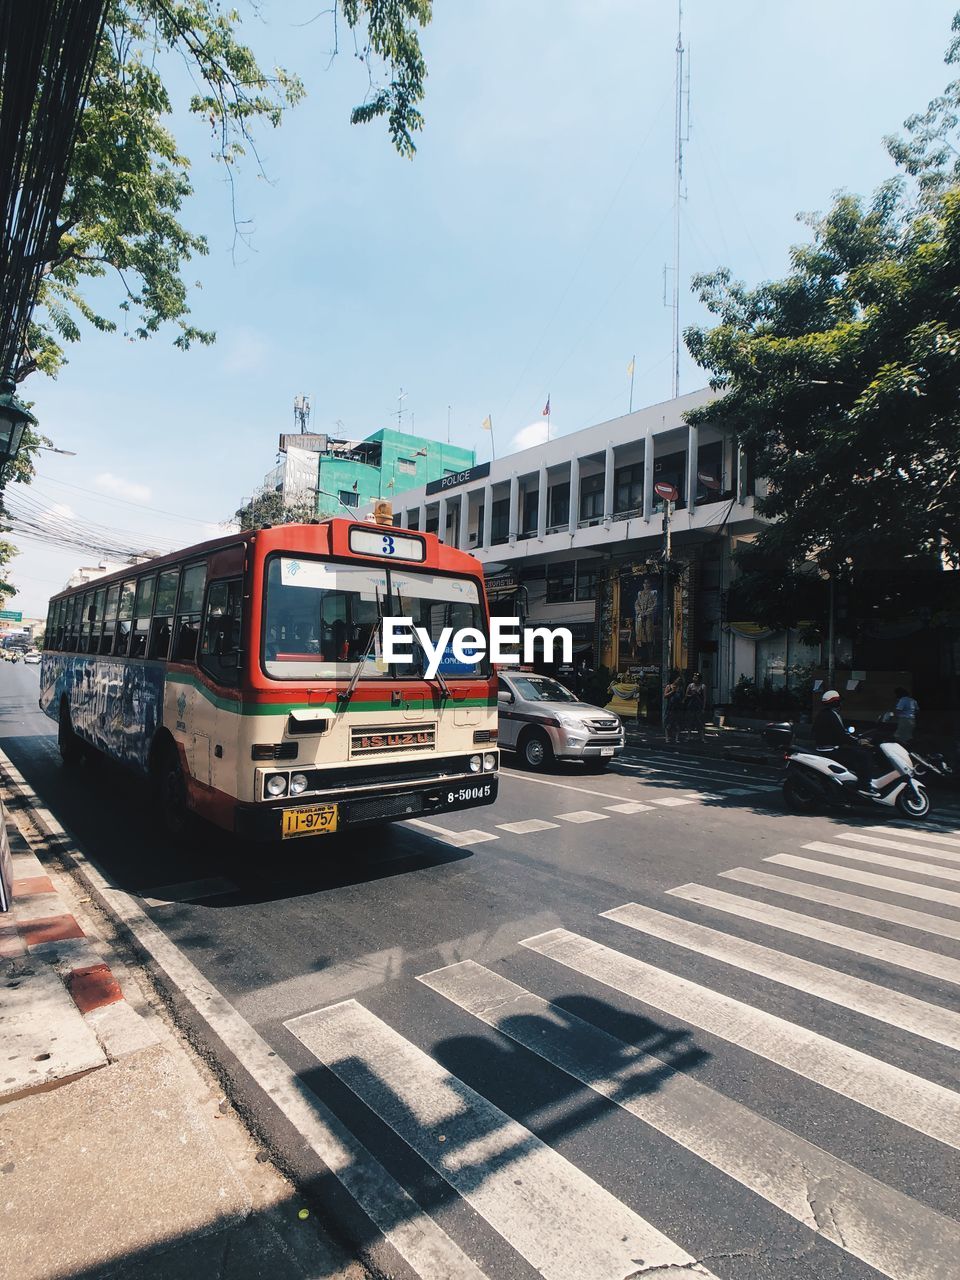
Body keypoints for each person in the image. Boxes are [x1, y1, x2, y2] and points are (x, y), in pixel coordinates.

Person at [813, 689, 877, 793]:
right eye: (839, 701)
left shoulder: (822, 714)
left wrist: (853, 739)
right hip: (831, 750)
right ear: (836, 702)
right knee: (865, 756)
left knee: (855, 752)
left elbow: (837, 733)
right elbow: (841, 736)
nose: (841, 704)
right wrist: (858, 741)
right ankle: (865, 786)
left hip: (825, 748)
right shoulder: (832, 715)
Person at [683, 672, 707, 742]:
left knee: (700, 722)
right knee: (690, 721)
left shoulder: (703, 686)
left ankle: (702, 737)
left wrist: (703, 707)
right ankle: (689, 736)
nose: (694, 679)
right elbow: (686, 695)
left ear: (699, 679)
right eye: (693, 677)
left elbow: (705, 698)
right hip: (691, 705)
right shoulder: (690, 686)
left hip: (699, 705)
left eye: (696, 678)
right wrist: (691, 695)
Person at [662, 674, 684, 744]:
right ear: (674, 679)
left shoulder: (680, 688)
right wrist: (672, 691)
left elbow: (682, 697)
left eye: (680, 680)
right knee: (668, 723)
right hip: (670, 707)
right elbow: (665, 696)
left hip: (678, 707)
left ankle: (677, 738)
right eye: (678, 679)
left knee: (677, 723)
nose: (679, 681)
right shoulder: (669, 686)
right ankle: (667, 738)